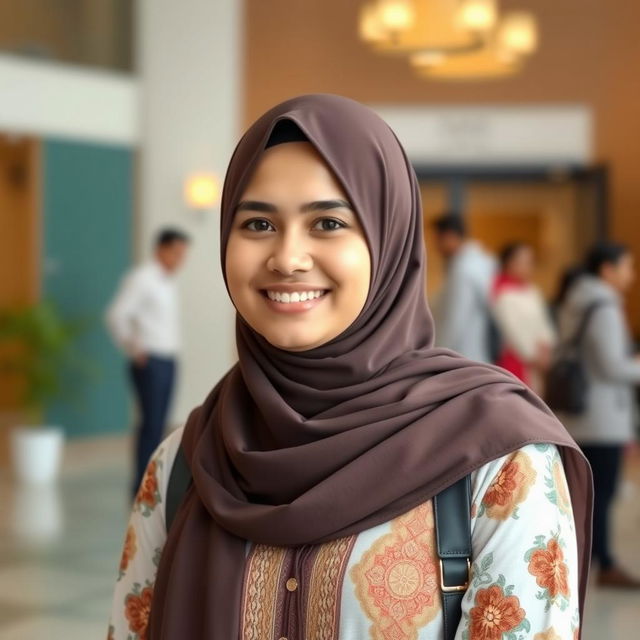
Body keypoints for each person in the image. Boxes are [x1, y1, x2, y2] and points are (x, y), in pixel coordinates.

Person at [108, 95, 592, 640]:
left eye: (328, 222)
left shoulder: (499, 460)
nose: (287, 258)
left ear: (390, 241)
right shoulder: (184, 464)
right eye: (259, 223)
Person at [556, 242, 640, 588]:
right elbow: (611, 365)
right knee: (602, 493)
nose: (630, 275)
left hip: (580, 412)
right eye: (626, 267)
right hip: (603, 416)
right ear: (607, 269)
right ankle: (603, 563)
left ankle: (585, 561)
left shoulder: (576, 299)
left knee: (584, 493)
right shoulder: (604, 304)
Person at [105, 227, 190, 495]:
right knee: (150, 425)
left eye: (182, 254)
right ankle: (141, 486)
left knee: (160, 424)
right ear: (161, 249)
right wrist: (135, 349)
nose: (179, 259)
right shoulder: (142, 278)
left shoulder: (168, 281)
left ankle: (151, 483)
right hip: (150, 361)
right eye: (176, 252)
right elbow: (116, 315)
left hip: (168, 359)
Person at [492, 242, 557, 395]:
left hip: (537, 361)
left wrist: (546, 348)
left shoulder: (532, 290)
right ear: (509, 263)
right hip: (517, 360)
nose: (529, 266)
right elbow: (512, 330)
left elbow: (543, 323)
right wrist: (533, 355)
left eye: (531, 261)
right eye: (524, 261)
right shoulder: (502, 292)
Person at [432, 214, 496, 363]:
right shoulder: (481, 262)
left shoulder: (463, 269)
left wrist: (438, 354)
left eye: (438, 240)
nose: (436, 247)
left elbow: (455, 318)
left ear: (449, 236)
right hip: (475, 353)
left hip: (464, 353)